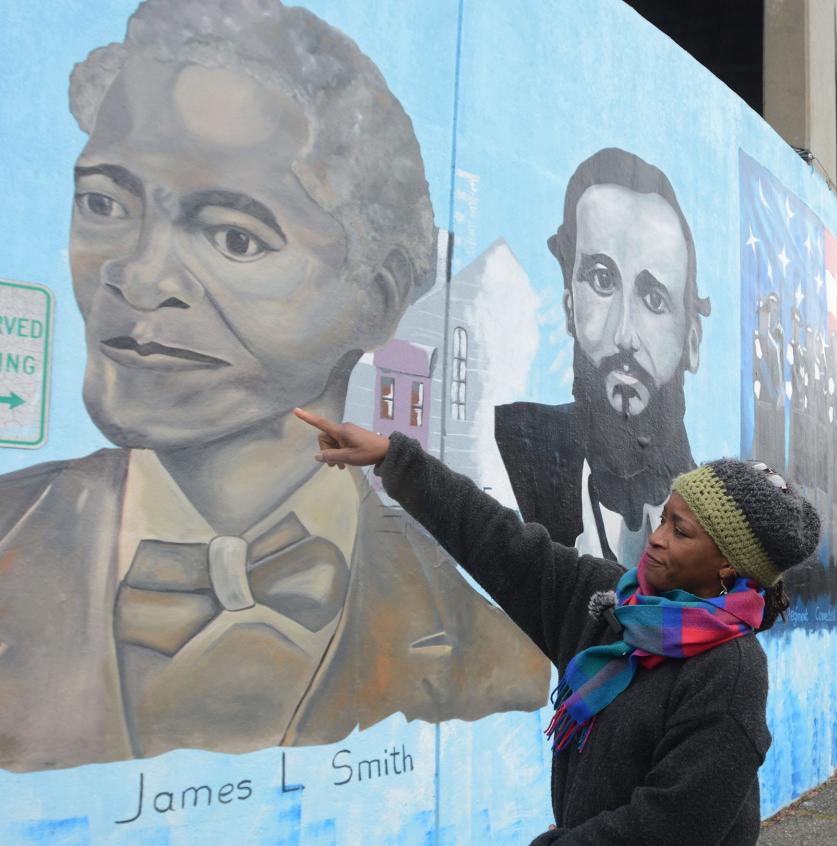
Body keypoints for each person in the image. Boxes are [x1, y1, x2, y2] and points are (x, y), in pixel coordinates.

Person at [0, 0, 548, 774]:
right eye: (104, 203)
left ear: (380, 295)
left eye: (234, 236)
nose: (139, 276)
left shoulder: (487, 657)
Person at [296, 409, 821, 846]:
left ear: (726, 565)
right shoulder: (609, 608)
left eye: (682, 532)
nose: (658, 538)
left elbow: (670, 832)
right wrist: (394, 459)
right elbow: (501, 543)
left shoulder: (729, 669)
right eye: (666, 517)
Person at [495, 148, 711, 568]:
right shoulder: (512, 451)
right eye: (601, 280)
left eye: (654, 298)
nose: (623, 334)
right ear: (569, 307)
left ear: (692, 340)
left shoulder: (717, 523)